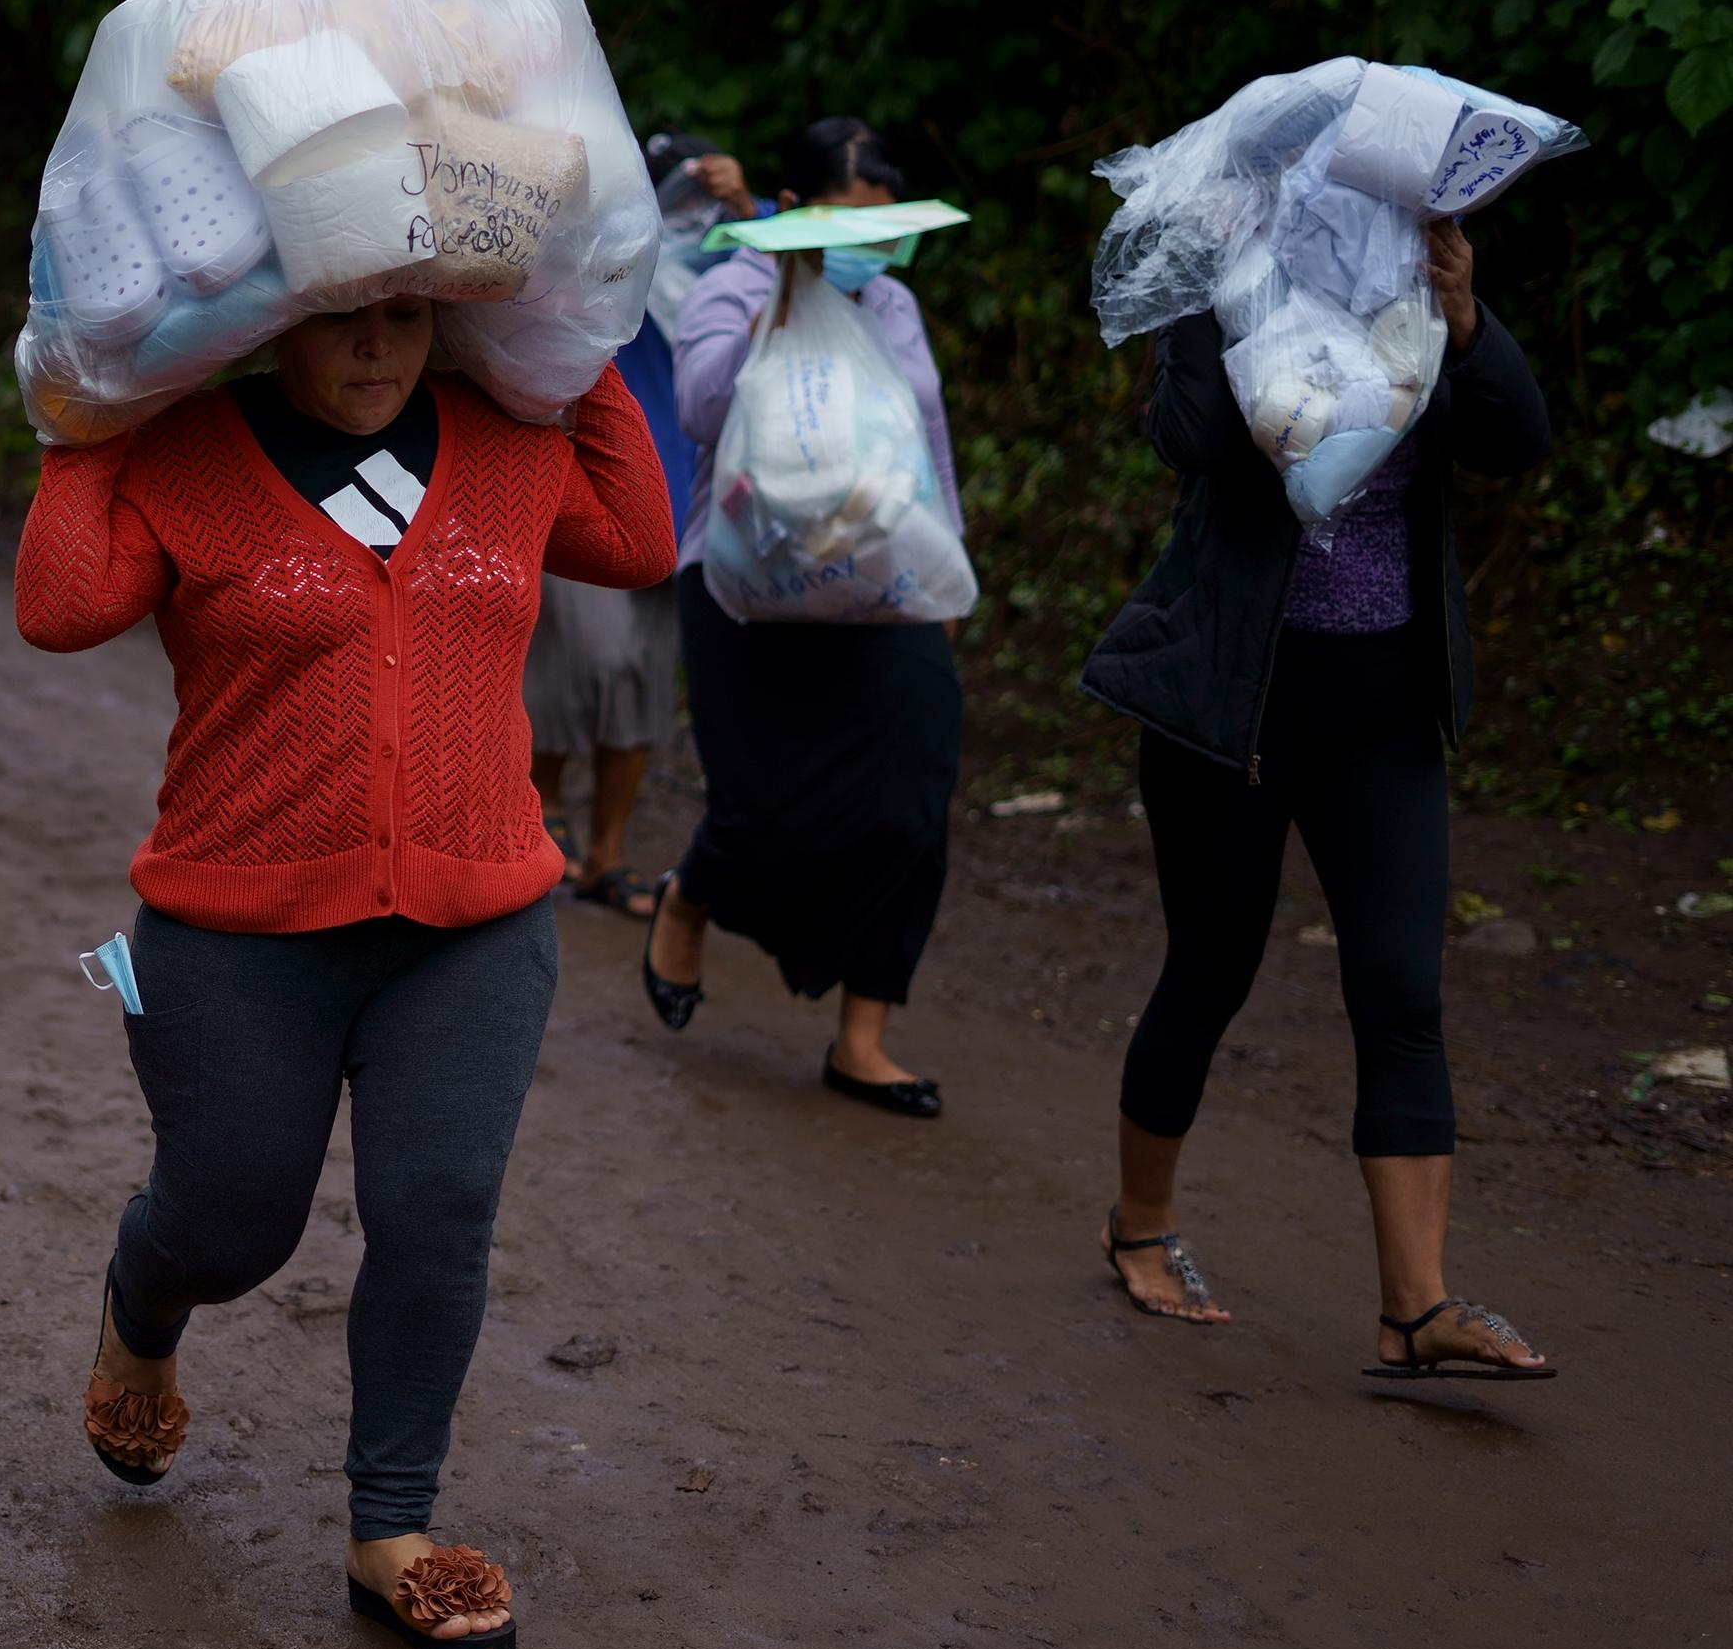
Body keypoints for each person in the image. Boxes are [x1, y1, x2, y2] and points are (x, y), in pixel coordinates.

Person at [16, 299, 675, 1649]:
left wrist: (573, 324)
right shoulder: (191, 446)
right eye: (341, 322)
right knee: (232, 1222)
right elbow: (59, 609)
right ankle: (146, 1300)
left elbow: (639, 540)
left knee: (437, 1208)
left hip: (477, 917)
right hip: (228, 928)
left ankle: (395, 1527)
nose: (378, 350)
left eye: (405, 318)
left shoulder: (505, 438)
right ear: (268, 319)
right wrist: (86, 415)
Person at [1077, 219, 1556, 1380]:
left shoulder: (1415, 306)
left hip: (1385, 714)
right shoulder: (1234, 290)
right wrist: (1228, 312)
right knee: (1212, 967)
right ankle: (1139, 1223)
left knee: (1401, 990)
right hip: (1236, 704)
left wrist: (1465, 319)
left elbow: (1517, 442)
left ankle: (1416, 1306)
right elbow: (1184, 440)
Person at [642, 119, 963, 1118]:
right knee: (763, 807)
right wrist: (783, 296)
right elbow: (698, 412)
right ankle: (691, 892)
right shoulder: (733, 282)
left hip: (884, 577)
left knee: (914, 794)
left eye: (882, 225)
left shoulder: (893, 301)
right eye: (846, 220)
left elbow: (927, 432)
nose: (865, 242)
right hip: (747, 576)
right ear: (797, 206)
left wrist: (949, 565)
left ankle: (863, 1038)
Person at [520, 134, 752, 918]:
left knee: (648, 672)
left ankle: (607, 853)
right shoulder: (617, 257)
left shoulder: (736, 262)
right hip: (589, 484)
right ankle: (540, 815)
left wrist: (746, 211)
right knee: (584, 657)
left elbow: (793, 272)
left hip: (691, 498)